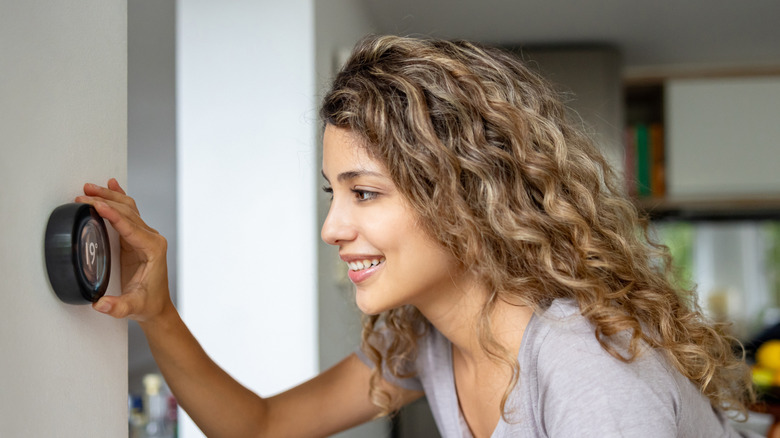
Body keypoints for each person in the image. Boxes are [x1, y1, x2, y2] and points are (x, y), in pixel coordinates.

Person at [78, 35, 758, 437]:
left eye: (366, 193)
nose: (332, 229)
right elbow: (261, 427)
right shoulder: (430, 341)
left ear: (467, 193)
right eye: (334, 193)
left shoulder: (589, 370)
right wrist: (158, 313)